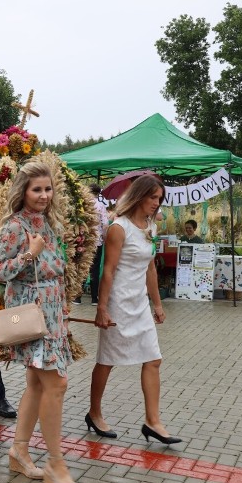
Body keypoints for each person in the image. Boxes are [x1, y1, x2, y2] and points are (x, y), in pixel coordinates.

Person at [0, 160, 82, 483]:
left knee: (38, 385)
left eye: (47, 188)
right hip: (29, 315)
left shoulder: (51, 224)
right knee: (57, 383)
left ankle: (19, 451)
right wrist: (28, 255)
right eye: (36, 189)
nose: (43, 195)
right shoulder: (14, 226)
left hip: (53, 317)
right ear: (22, 191)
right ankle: (56, 464)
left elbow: (56, 268)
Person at [89, 174, 182, 445]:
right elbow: (108, 270)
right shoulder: (118, 227)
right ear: (139, 195)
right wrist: (102, 308)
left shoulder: (149, 227)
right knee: (107, 360)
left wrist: (157, 303)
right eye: (153, 197)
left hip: (140, 304)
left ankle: (153, 421)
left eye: (159, 198)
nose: (156, 203)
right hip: (118, 302)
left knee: (153, 358)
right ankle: (94, 413)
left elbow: (150, 267)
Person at [73, 184, 109, 306]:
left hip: (83, 240)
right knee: (95, 269)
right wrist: (104, 237)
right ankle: (94, 298)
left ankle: (77, 297)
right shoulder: (101, 206)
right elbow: (105, 225)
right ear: (99, 193)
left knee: (82, 266)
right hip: (97, 241)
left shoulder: (83, 205)